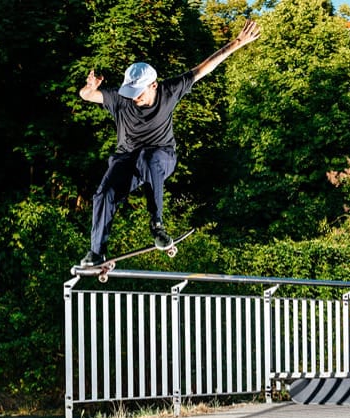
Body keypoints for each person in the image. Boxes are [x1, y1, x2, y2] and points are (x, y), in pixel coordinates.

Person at [77, 20, 261, 267]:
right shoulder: (120, 98)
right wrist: (89, 88)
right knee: (104, 193)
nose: (135, 99)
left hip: (162, 157)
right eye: (132, 94)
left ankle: (157, 226)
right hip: (126, 160)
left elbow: (204, 68)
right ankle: (97, 252)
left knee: (148, 157)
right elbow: (88, 96)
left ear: (153, 85)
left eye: (139, 94)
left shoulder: (170, 90)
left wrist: (237, 42)